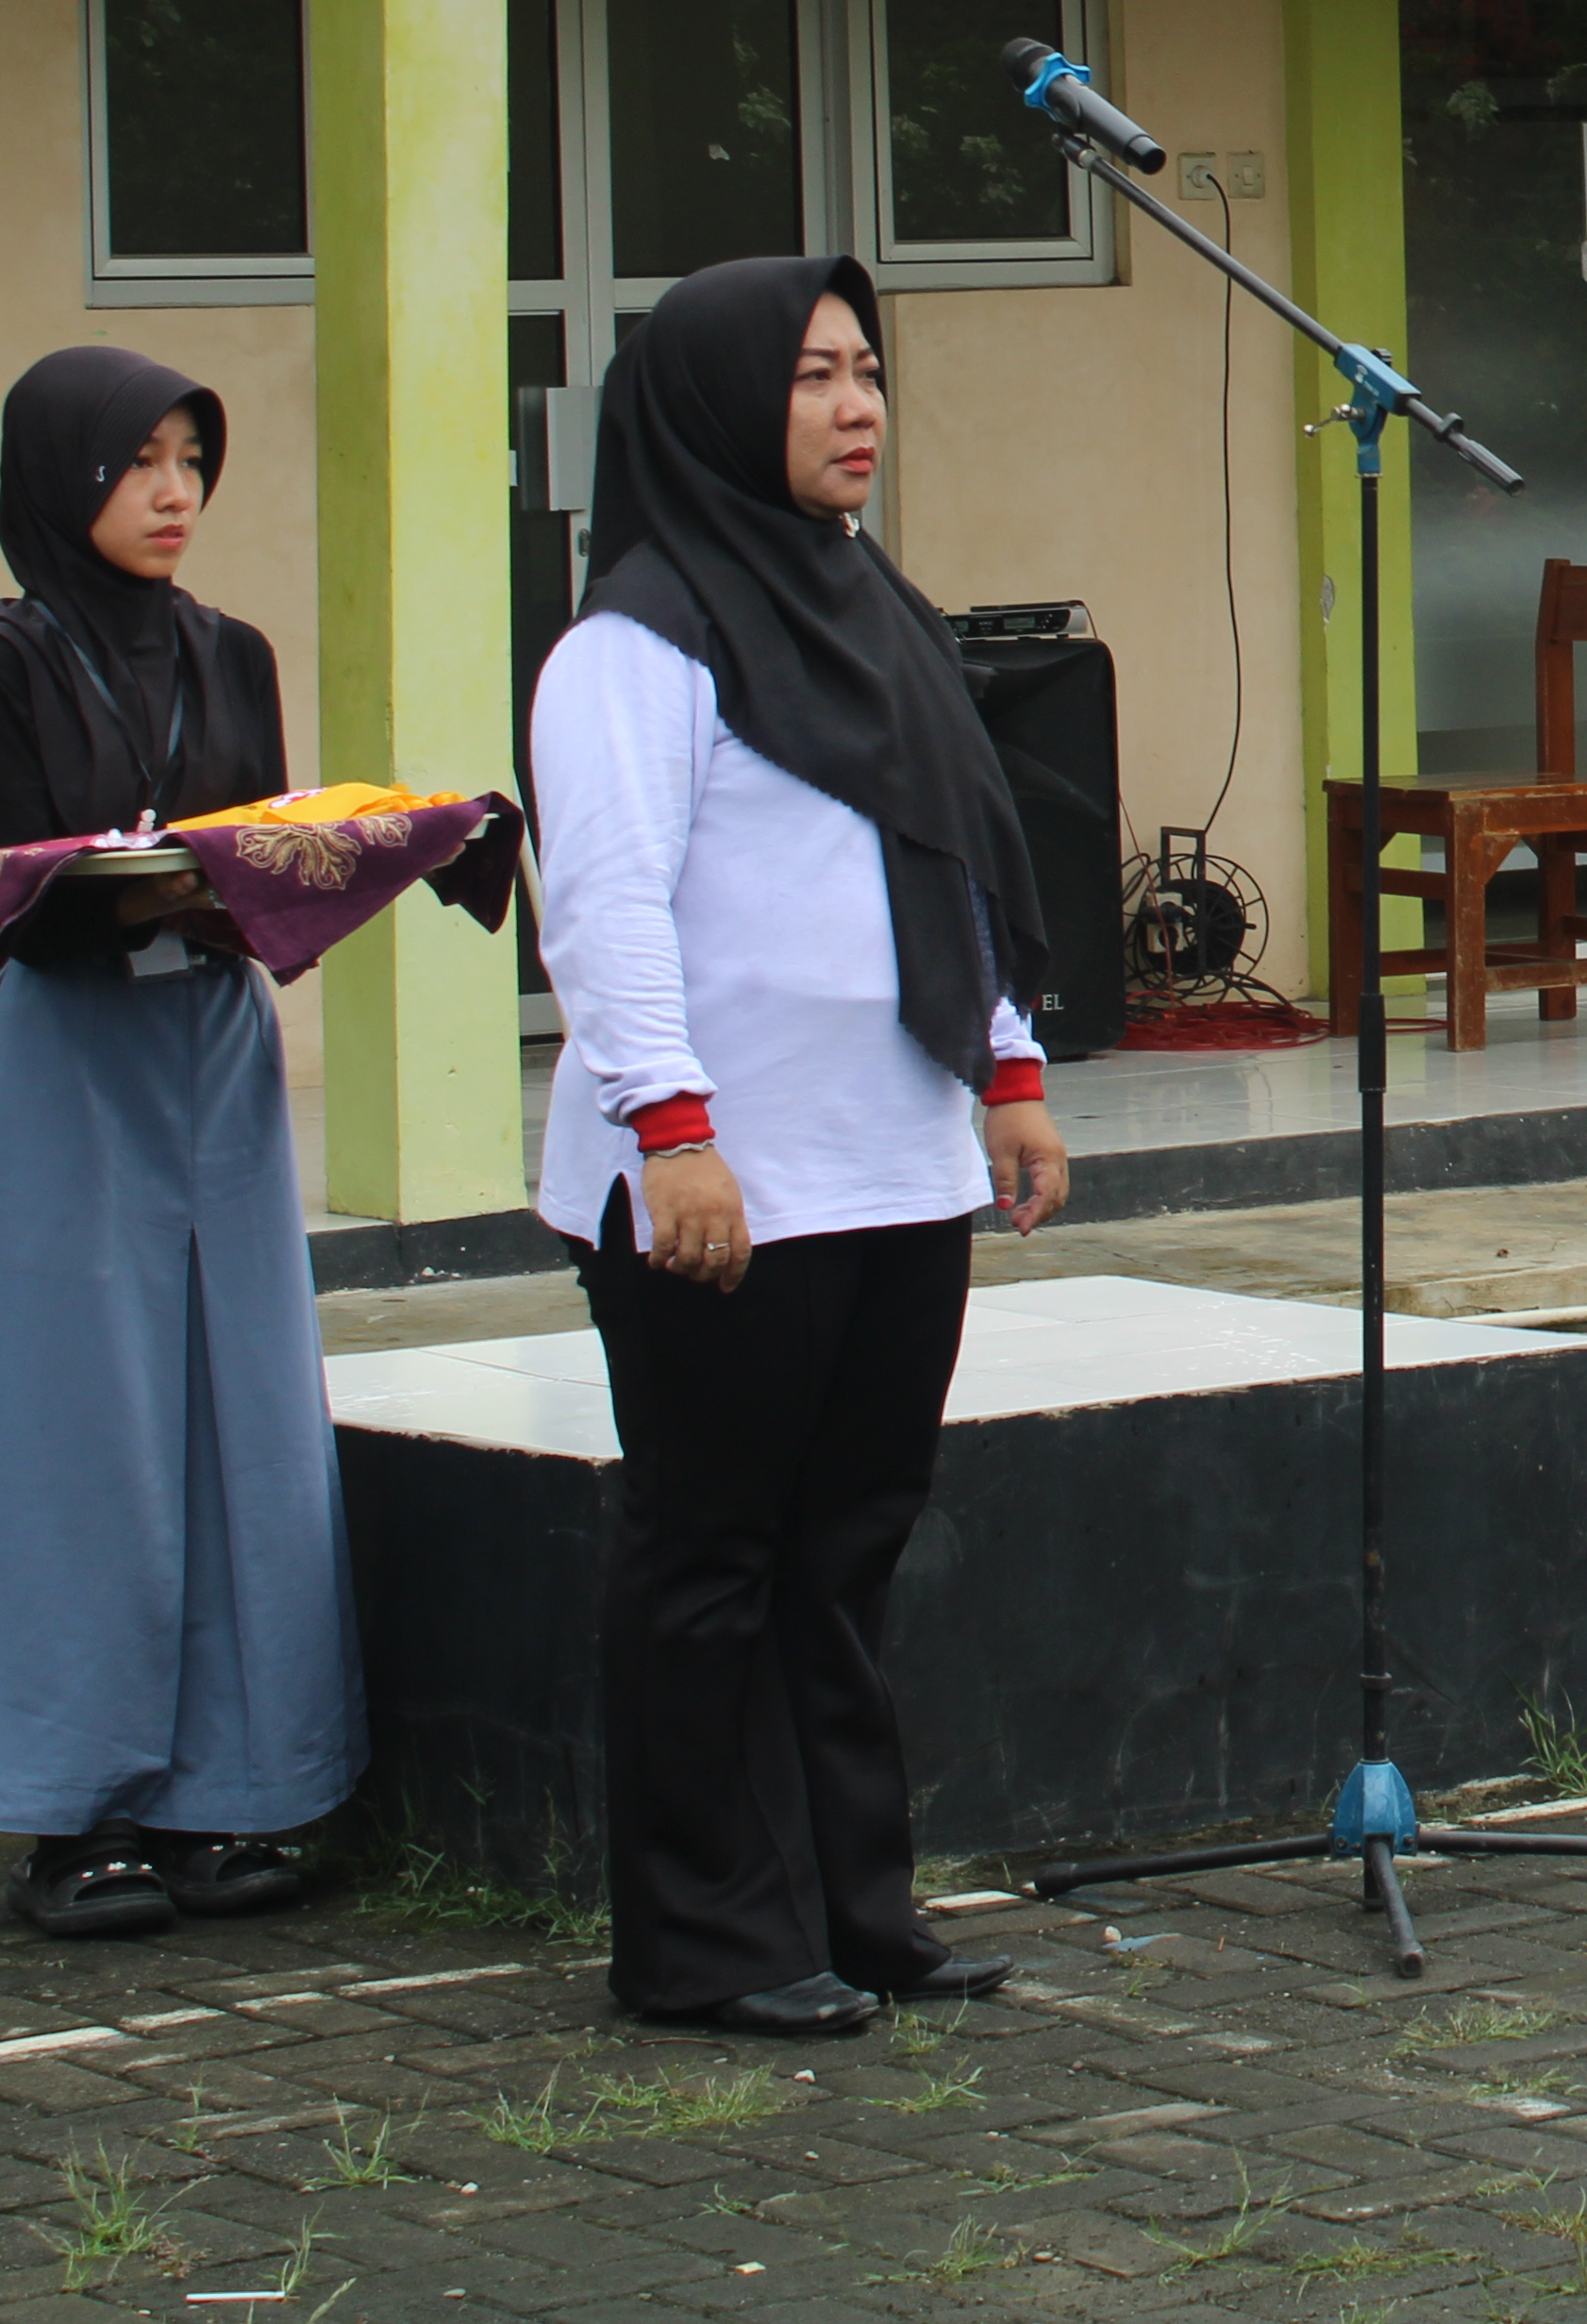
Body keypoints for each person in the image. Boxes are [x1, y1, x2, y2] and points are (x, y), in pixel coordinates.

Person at [530, 258, 1074, 2041]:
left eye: (868, 371)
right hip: (722, 1179)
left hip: (893, 1161)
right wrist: (671, 1131)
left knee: (847, 1548)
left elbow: (956, 853)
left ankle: (855, 1906)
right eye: (813, 375)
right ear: (712, 405)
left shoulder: (874, 607)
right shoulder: (636, 643)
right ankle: (707, 1938)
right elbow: (606, 906)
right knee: (713, 1554)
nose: (858, 408)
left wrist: (1007, 1066)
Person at [0, 349, 360, 1938]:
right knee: (71, 1419)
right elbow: (17, 891)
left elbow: (262, 857)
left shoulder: (233, 653)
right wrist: (154, 881)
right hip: (74, 1054)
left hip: (211, 1045)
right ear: (58, 476)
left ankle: (235, 1787)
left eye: (190, 462)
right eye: (137, 462)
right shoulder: (1, 658)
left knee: (241, 1406)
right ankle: (68, 1810)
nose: (172, 494)